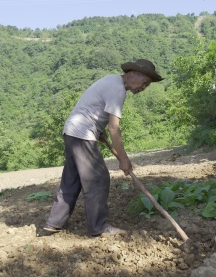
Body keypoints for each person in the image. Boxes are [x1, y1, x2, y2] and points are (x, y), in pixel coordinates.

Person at [43, 59, 164, 237]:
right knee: (98, 179)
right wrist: (124, 159)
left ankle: (54, 223)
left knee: (72, 179)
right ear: (133, 74)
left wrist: (98, 131)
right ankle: (98, 227)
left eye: (147, 85)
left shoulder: (111, 80)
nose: (143, 87)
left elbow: (94, 109)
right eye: (144, 82)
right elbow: (114, 127)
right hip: (82, 133)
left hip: (72, 131)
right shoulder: (118, 90)